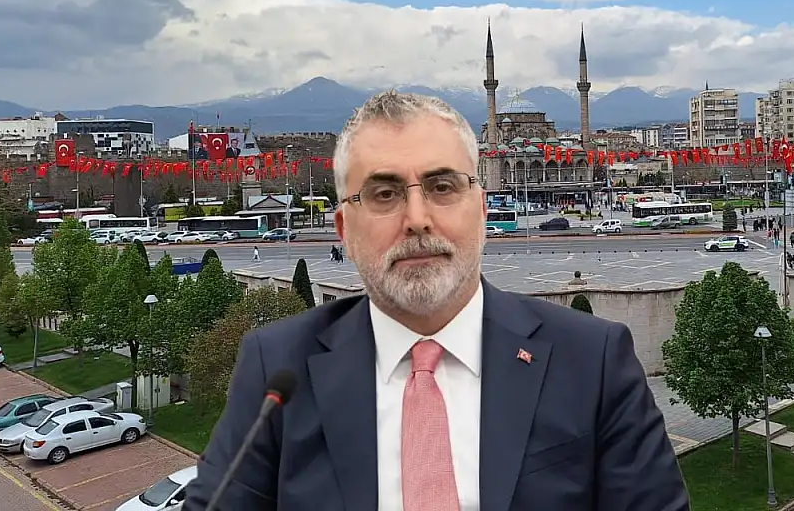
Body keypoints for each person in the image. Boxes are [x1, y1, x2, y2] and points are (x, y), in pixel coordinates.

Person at [182, 91, 689, 511]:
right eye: (384, 194)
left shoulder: (593, 361)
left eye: (442, 187)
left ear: (482, 210)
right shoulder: (277, 370)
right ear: (344, 229)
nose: (417, 219)